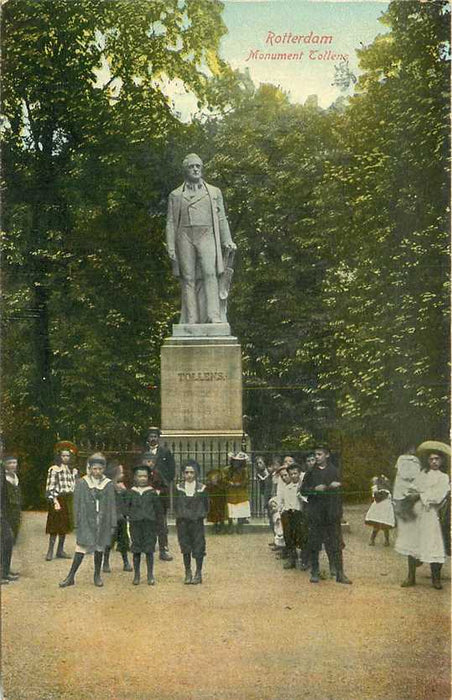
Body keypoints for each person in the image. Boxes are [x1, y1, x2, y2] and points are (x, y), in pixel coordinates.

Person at [165, 153, 237, 324]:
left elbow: (221, 218)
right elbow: (170, 222)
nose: (195, 169)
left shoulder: (213, 192)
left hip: (207, 235)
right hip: (184, 236)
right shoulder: (175, 195)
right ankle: (191, 319)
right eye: (192, 166)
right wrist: (171, 247)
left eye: (198, 166)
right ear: (185, 170)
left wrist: (227, 239)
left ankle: (214, 316)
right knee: (188, 277)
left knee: (210, 273)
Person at [59, 453, 117, 588]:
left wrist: (112, 523)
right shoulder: (82, 482)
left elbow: (112, 504)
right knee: (81, 547)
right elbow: (76, 503)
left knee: (99, 547)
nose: (97, 472)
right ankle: (70, 576)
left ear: (104, 469)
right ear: (89, 468)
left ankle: (97, 575)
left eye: (100, 469)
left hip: (102, 520)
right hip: (86, 519)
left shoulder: (107, 484)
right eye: (94, 469)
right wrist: (76, 522)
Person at [398, 442, 450, 590]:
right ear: (428, 460)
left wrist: (420, 495)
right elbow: (411, 489)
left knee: (434, 544)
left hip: (431, 514)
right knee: (413, 543)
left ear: (441, 461)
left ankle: (436, 579)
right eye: (431, 459)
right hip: (418, 512)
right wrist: (412, 493)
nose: (434, 461)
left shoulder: (444, 477)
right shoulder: (422, 475)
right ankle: (411, 576)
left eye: (437, 459)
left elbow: (438, 497)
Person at [301, 445, 352, 584]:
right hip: (316, 514)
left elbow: (343, 492)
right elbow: (303, 491)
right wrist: (314, 489)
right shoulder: (310, 473)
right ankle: (315, 571)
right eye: (316, 454)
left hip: (331, 514)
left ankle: (340, 573)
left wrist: (338, 486)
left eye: (319, 454)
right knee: (315, 543)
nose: (317, 457)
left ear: (327, 455)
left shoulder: (335, 471)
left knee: (336, 544)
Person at [125, 465, 162, 586]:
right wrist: (131, 515)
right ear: (135, 477)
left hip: (149, 524)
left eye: (145, 476)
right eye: (139, 476)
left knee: (149, 550)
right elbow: (126, 508)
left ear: (148, 477)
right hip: (135, 524)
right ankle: (137, 575)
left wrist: (158, 525)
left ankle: (150, 575)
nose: (142, 479)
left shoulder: (152, 492)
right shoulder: (131, 492)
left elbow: (158, 511)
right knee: (136, 550)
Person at [174, 460, 209, 584]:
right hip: (183, 522)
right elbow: (175, 504)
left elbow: (206, 504)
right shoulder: (179, 488)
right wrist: (181, 515)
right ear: (183, 474)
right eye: (186, 472)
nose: (189, 475)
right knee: (185, 547)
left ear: (196, 474)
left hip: (196, 523)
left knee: (198, 547)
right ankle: (187, 572)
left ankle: (198, 573)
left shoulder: (201, 488)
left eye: (192, 472)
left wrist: (199, 515)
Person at [143, 427, 175, 561]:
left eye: (155, 436)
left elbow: (171, 472)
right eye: (151, 436)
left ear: (158, 438)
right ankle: (148, 546)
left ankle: (163, 549)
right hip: (146, 492)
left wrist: (162, 485)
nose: (153, 439)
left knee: (161, 522)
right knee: (146, 519)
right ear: (147, 438)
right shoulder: (143, 453)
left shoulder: (165, 452)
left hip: (161, 492)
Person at [45, 442, 78, 561]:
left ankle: (60, 550)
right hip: (58, 499)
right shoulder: (54, 469)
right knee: (54, 526)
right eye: (63, 456)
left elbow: (73, 486)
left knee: (64, 525)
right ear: (59, 456)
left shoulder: (72, 470)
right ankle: (50, 550)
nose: (65, 458)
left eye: (67, 456)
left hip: (68, 499)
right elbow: (50, 487)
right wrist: (55, 501)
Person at [103, 461, 132, 573]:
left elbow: (127, 503)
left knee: (123, 541)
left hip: (121, 518)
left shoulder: (122, 488)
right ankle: (105, 562)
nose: (123, 474)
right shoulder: (107, 488)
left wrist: (124, 492)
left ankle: (125, 562)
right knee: (108, 541)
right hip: (110, 520)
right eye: (120, 472)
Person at [277, 463, 305, 570]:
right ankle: (292, 559)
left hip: (299, 514)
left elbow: (305, 501)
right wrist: (283, 510)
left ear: (299, 474)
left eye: (295, 473)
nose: (293, 476)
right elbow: (283, 502)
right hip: (288, 514)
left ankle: (304, 559)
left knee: (301, 536)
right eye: (291, 474)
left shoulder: (302, 487)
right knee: (288, 536)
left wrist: (301, 495)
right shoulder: (287, 488)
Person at [0, 456, 21, 584]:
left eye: (14, 462)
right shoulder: (3, 477)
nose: (12, 465)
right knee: (6, 539)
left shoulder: (15, 477)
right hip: (4, 511)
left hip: (14, 512)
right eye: (10, 463)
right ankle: (3, 572)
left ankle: (6, 570)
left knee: (10, 541)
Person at [223, 452, 251, 534]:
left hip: (241, 492)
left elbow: (247, 480)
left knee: (241, 509)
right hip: (231, 492)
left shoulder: (244, 471)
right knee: (231, 509)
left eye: (238, 462)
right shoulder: (227, 470)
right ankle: (230, 525)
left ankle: (240, 526)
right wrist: (229, 483)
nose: (236, 463)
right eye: (235, 461)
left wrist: (240, 484)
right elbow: (224, 479)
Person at [365, 475, 395, 546]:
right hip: (381, 507)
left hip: (383, 507)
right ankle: (374, 540)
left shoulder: (384, 488)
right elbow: (376, 497)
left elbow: (375, 498)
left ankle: (385, 541)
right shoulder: (382, 488)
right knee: (379, 524)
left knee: (383, 524)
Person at [205, 467, 227, 533]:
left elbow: (224, 489)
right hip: (213, 501)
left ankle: (222, 525)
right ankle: (215, 525)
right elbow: (207, 490)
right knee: (214, 513)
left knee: (221, 513)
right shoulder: (209, 485)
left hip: (221, 500)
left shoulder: (222, 483)